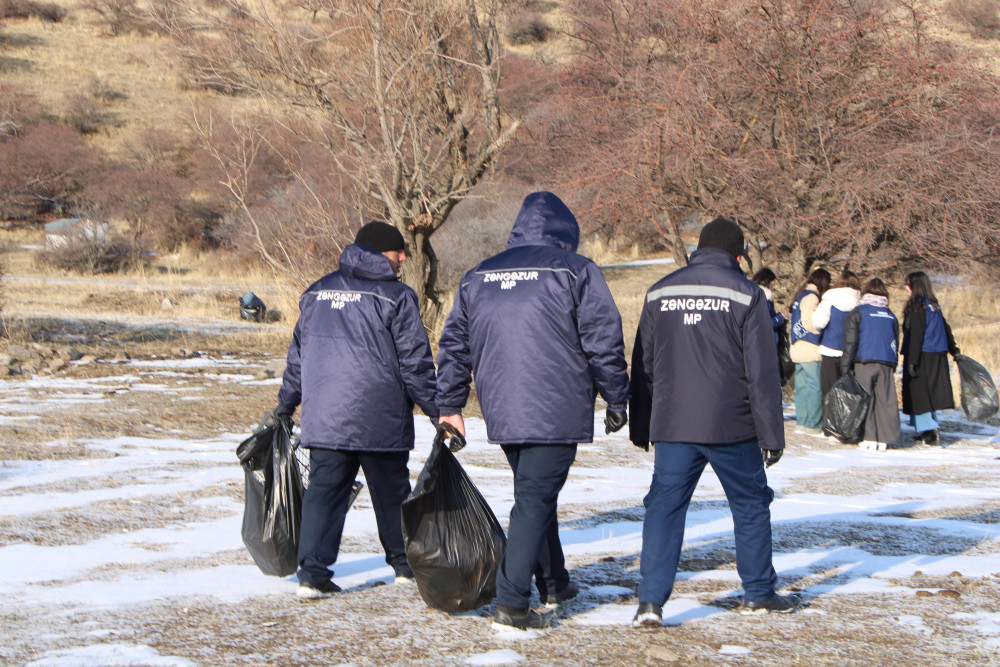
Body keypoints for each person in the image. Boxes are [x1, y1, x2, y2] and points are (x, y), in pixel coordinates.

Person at [435, 191, 630, 630]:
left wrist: (450, 404)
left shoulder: (477, 276)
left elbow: (454, 347)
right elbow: (603, 338)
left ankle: (555, 581)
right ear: (566, 231)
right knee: (533, 501)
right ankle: (512, 601)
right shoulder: (576, 270)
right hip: (556, 407)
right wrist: (616, 396)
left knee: (535, 494)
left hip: (503, 407)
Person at [629, 217, 799, 629]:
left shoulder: (660, 290)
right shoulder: (746, 294)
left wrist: (641, 423)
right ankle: (758, 593)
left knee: (664, 509)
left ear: (698, 248)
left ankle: (650, 603)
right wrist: (772, 436)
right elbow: (762, 372)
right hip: (732, 425)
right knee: (750, 505)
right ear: (737, 255)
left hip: (673, 426)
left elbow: (643, 365)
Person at [275, 220, 439, 599]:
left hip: (326, 418)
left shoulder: (316, 292)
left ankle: (312, 574)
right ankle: (403, 566)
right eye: (399, 251)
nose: (403, 257)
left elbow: (297, 359)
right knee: (392, 493)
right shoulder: (397, 297)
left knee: (324, 493)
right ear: (383, 253)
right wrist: (438, 410)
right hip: (379, 417)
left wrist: (285, 405)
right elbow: (414, 363)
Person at [840, 278, 901, 451]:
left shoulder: (858, 312)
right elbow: (896, 339)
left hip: (864, 361)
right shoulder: (890, 315)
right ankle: (885, 438)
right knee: (885, 400)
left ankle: (868, 437)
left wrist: (845, 367)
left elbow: (850, 342)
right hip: (886, 361)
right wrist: (894, 363)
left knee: (865, 400)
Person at [901, 271, 960, 446]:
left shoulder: (918, 306)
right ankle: (928, 429)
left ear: (914, 285)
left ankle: (930, 430)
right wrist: (953, 349)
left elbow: (916, 334)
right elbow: (945, 327)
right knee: (929, 393)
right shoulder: (933, 304)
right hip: (938, 353)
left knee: (919, 394)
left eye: (908, 284)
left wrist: (912, 360)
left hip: (922, 354)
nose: (906, 287)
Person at [812, 269, 861, 435]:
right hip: (851, 352)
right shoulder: (860, 302)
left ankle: (829, 426)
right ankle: (845, 425)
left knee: (829, 390)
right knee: (848, 391)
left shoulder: (830, 300)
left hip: (830, 349)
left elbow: (818, 322)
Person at [789, 268, 831, 436]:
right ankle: (812, 424)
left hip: (797, 347)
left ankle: (801, 421)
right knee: (814, 386)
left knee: (801, 386)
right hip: (810, 348)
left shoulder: (801, 295)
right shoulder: (813, 297)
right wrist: (820, 330)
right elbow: (809, 322)